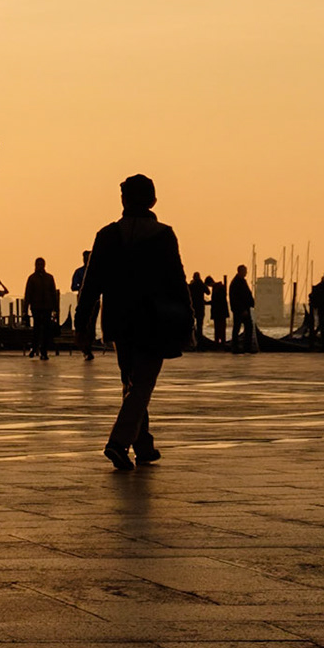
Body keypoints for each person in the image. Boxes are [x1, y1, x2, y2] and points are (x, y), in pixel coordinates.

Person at [76, 174, 191, 471]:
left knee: (131, 383)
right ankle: (117, 442)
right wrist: (188, 320)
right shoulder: (163, 235)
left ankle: (143, 444)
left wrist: (82, 321)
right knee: (141, 385)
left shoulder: (106, 235)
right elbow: (177, 282)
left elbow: (91, 284)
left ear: (124, 200)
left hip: (118, 321)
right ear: (152, 200)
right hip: (153, 322)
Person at [24, 257, 59, 360]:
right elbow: (28, 294)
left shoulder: (49, 278)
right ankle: (34, 348)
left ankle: (44, 350)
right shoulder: (32, 278)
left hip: (47, 307)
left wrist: (55, 308)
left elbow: (53, 293)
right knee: (36, 329)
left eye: (41, 264)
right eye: (38, 264)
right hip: (36, 307)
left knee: (46, 330)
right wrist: (25, 310)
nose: (40, 266)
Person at [71, 250, 97, 360]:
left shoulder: (96, 271)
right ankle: (86, 349)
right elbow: (73, 286)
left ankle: (88, 347)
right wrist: (82, 286)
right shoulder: (79, 272)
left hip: (95, 303)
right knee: (83, 326)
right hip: (83, 302)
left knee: (91, 327)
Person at [230, 265, 256, 353]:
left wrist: (252, 303)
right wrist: (242, 309)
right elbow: (236, 298)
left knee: (247, 327)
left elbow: (247, 294)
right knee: (238, 327)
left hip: (244, 308)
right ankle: (236, 347)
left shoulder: (241, 281)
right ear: (240, 271)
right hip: (240, 310)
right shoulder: (236, 282)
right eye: (245, 271)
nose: (246, 272)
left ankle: (246, 347)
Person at [189, 272, 210, 345]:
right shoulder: (202, 285)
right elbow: (208, 292)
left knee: (191, 325)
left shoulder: (191, 286)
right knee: (200, 326)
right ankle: (200, 343)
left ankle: (192, 341)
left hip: (193, 308)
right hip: (200, 307)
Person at [209, 274, 229, 349]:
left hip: (218, 312)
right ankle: (221, 342)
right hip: (221, 312)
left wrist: (208, 303)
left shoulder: (217, 288)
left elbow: (216, 301)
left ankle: (219, 343)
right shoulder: (220, 287)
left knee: (218, 328)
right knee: (221, 328)